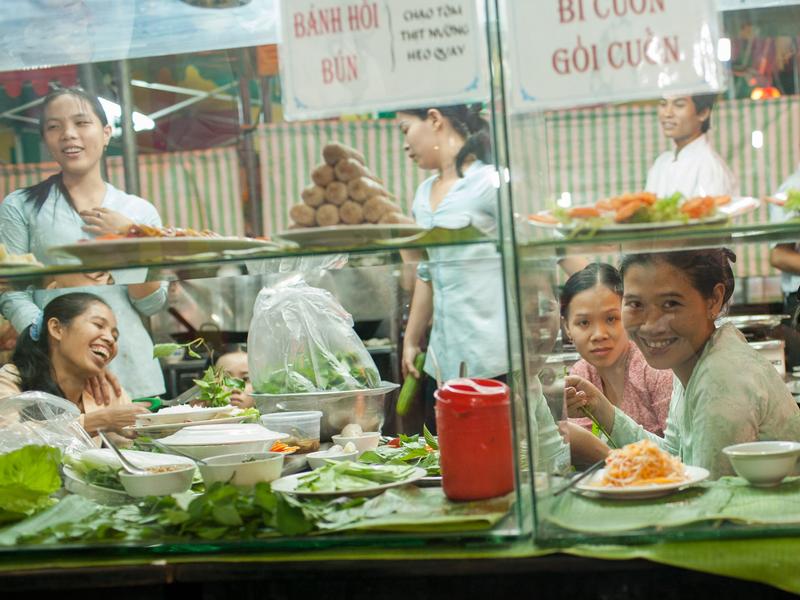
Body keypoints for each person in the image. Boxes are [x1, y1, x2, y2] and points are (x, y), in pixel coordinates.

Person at [565, 249, 800, 478]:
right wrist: (598, 406)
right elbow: (674, 460)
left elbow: (710, 495)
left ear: (714, 300)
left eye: (671, 304)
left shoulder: (721, 377)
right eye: (636, 304)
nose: (650, 325)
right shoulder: (691, 360)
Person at [0, 87, 166, 399]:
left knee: (142, 448)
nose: (68, 134)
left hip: (135, 373)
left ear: (106, 134)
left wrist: (130, 239)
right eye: (54, 127)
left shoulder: (138, 212)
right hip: (55, 377)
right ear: (46, 140)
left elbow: (151, 303)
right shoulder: (20, 206)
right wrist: (56, 345)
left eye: (81, 123)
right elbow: (10, 293)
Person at [396, 104, 507, 429]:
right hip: (441, 363)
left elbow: (531, 246)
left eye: (405, 130)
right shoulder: (422, 194)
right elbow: (426, 273)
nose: (405, 145)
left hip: (492, 360)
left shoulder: (488, 181)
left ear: (434, 119)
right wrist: (412, 339)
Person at [0, 293, 149, 437]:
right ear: (57, 329)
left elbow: (129, 450)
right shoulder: (10, 381)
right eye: (98, 325)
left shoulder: (108, 391)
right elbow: (8, 437)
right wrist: (98, 422)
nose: (110, 339)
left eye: (115, 336)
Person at [562, 263, 671, 436]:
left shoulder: (655, 370)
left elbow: (678, 453)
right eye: (584, 323)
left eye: (611, 319)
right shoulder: (582, 373)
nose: (599, 335)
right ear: (567, 327)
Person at [645, 95, 738, 198]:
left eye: (679, 105)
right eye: (663, 104)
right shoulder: (662, 162)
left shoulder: (708, 166)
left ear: (703, 113)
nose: (667, 113)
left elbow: (710, 211)